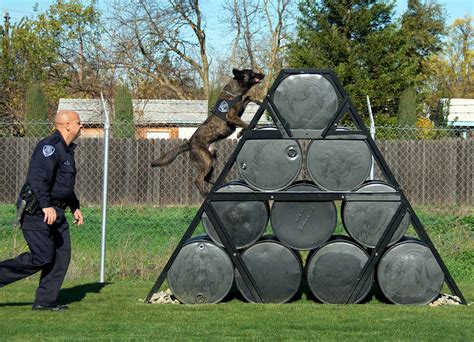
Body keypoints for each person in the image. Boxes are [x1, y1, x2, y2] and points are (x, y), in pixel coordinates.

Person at [0, 110, 84, 311]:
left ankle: (45, 301)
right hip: (38, 211)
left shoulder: (67, 150)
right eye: (79, 122)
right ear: (67, 125)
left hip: (57, 212)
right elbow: (38, 179)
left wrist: (75, 206)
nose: (82, 126)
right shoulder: (50, 148)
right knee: (43, 256)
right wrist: (46, 205)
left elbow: (63, 185)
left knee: (61, 257)